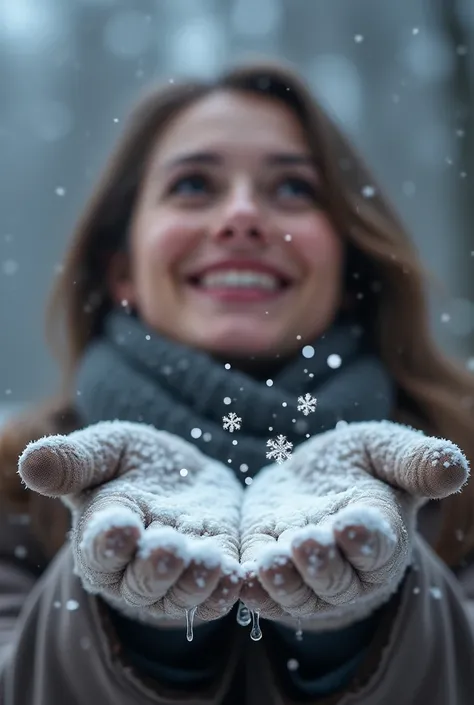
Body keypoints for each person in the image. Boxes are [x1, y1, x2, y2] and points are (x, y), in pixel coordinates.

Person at [0, 59, 473, 705]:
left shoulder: (460, 467)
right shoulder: (14, 486)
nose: (243, 215)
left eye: (294, 189)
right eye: (194, 185)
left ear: (348, 256)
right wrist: (126, 618)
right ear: (122, 271)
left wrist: (370, 618)